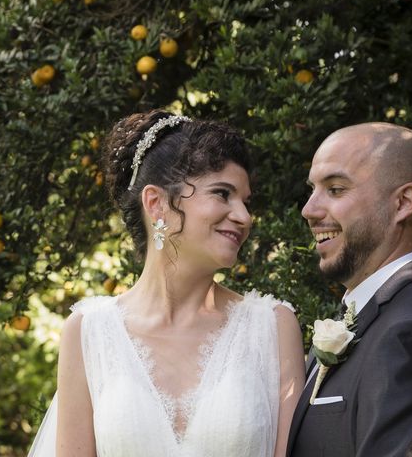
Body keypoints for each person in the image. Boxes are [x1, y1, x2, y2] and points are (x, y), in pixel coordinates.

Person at [27, 110, 306, 457]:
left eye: (245, 202)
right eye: (222, 193)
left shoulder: (272, 327)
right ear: (156, 203)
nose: (244, 217)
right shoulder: (89, 332)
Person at [286, 123, 412, 456]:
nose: (309, 210)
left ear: (403, 203)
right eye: (313, 189)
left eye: (335, 189)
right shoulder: (370, 318)